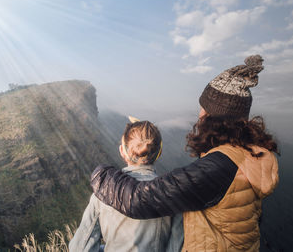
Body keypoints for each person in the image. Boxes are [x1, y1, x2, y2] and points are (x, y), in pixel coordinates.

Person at [91, 55, 279, 251]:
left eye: (203, 109)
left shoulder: (218, 168)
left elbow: (139, 201)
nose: (199, 114)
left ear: (213, 117)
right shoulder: (247, 157)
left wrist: (102, 174)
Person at [69, 118, 184, 252]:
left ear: (122, 151)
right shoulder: (174, 195)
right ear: (159, 153)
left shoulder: (103, 193)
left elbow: (80, 248)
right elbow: (176, 247)